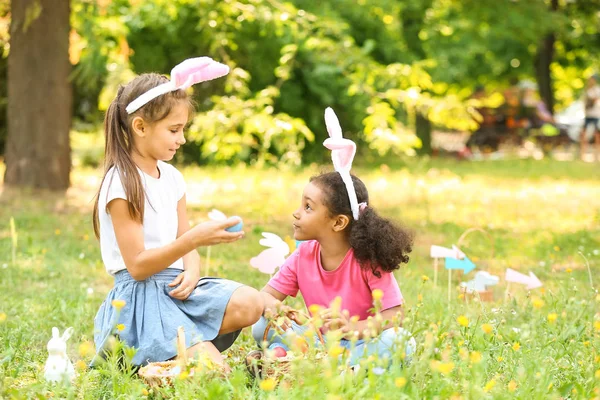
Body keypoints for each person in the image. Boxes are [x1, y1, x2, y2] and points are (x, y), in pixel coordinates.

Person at [91, 57, 263, 370]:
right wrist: (195, 239)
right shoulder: (122, 183)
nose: (181, 139)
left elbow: (184, 237)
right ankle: (168, 351)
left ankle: (182, 346)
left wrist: (193, 268)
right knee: (216, 374)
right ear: (140, 126)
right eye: (174, 129)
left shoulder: (172, 178)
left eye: (182, 129)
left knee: (252, 303)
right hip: (141, 298)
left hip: (176, 288)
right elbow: (139, 267)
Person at [251, 108, 416, 369]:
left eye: (308, 207)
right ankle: (315, 361)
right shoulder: (303, 255)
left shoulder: (367, 260)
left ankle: (306, 362)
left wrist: (353, 328)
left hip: (359, 343)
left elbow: (393, 316)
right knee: (261, 326)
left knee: (400, 341)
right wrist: (277, 309)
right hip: (318, 341)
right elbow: (265, 296)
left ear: (338, 222)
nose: (296, 213)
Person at [579, 74, 600, 160]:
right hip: (587, 115)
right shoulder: (587, 90)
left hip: (595, 115)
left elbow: (595, 99)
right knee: (583, 134)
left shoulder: (597, 90)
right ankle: (582, 154)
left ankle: (597, 154)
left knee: (597, 134)